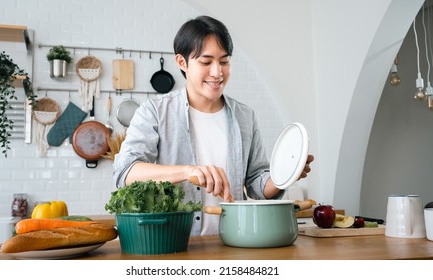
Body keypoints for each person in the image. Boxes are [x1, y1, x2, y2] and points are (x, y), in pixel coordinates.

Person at [113, 15, 314, 236]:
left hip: (236, 239)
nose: (217, 72)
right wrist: (189, 171)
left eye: (224, 61)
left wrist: (285, 174)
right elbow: (126, 171)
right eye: (206, 62)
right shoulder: (155, 111)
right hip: (176, 243)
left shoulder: (244, 116)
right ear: (182, 62)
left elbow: (257, 186)